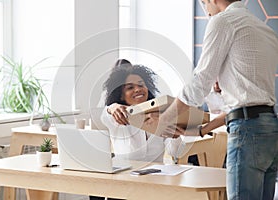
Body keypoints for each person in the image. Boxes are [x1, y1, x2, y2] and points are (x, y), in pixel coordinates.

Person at [145, 0, 278, 199]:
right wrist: (199, 128)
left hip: (246, 130)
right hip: (269, 128)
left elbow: (200, 81)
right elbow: (249, 93)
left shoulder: (222, 21)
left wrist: (165, 119)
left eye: (204, 3)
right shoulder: (264, 29)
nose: (206, 11)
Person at [89, 60, 185, 200]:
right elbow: (100, 115)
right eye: (130, 87)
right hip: (123, 185)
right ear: (121, 95)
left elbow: (175, 152)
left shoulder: (161, 116)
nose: (138, 89)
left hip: (156, 184)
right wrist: (111, 107)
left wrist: (176, 136)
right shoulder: (117, 117)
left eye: (141, 84)